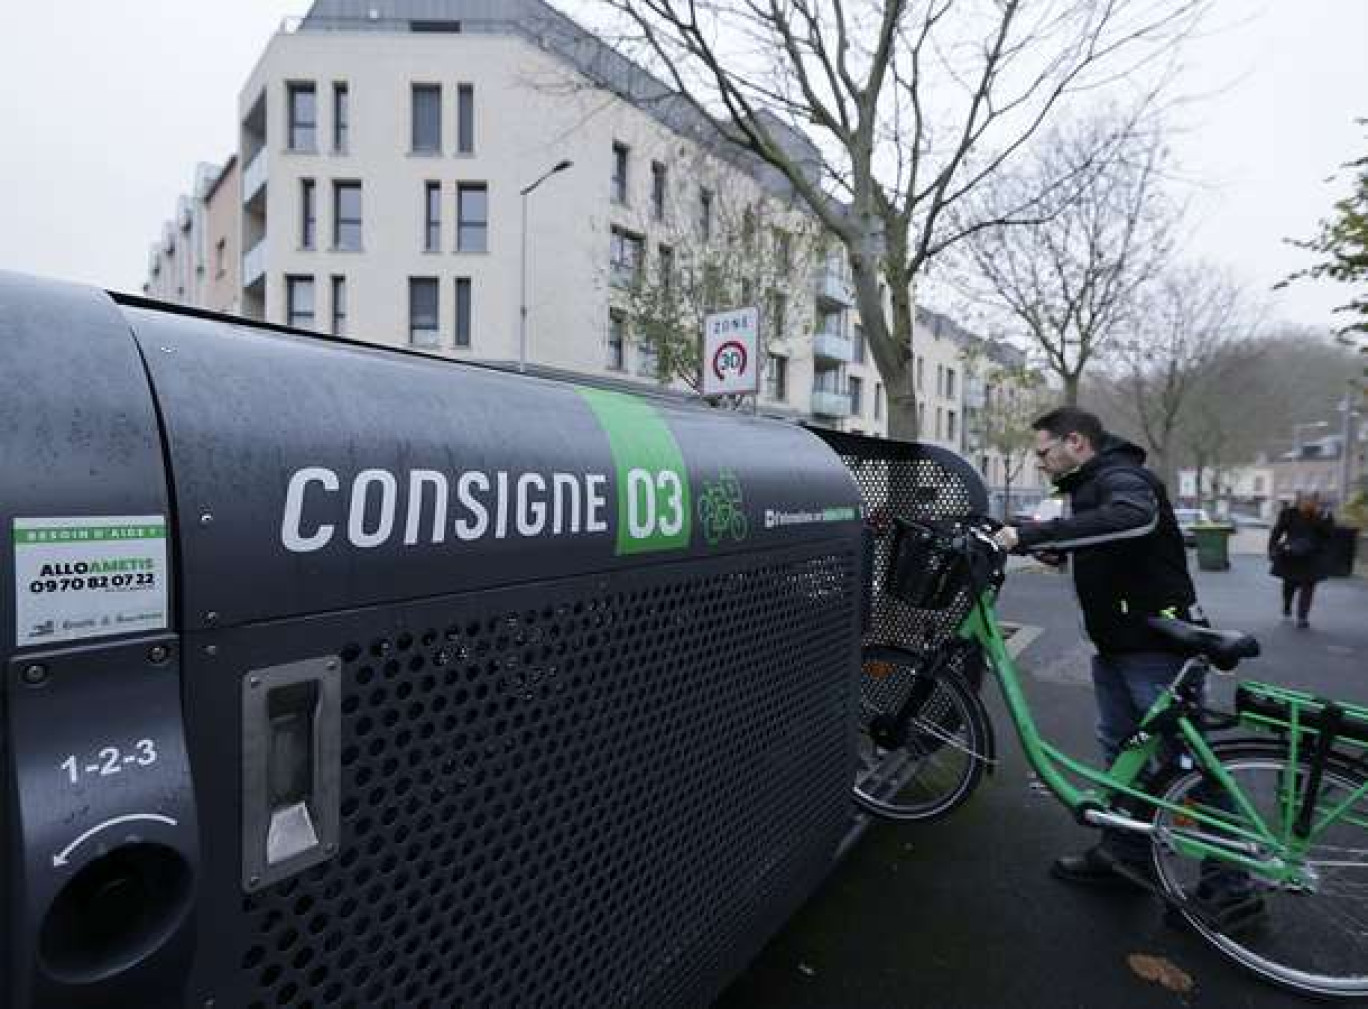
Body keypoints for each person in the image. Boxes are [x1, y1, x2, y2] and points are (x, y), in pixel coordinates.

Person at [992, 407, 1204, 885]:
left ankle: (1231, 888)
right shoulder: (1088, 484)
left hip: (1155, 645)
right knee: (1123, 753)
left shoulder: (1122, 477)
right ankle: (1125, 855)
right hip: (1118, 641)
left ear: (1076, 442)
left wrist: (1031, 535)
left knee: (1189, 763)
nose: (1040, 462)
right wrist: (1058, 549)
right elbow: (1112, 545)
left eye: (1044, 451)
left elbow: (1132, 519)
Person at [1269, 491, 1334, 629]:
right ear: (1298, 500)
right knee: (1289, 584)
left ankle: (1302, 617)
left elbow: (1329, 534)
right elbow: (1277, 532)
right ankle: (1287, 606)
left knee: (1309, 585)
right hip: (1292, 555)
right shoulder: (1288, 513)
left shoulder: (1323, 514)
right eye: (1305, 499)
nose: (1308, 502)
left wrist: (1318, 518)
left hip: (1313, 556)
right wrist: (1272, 549)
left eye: (1312, 499)